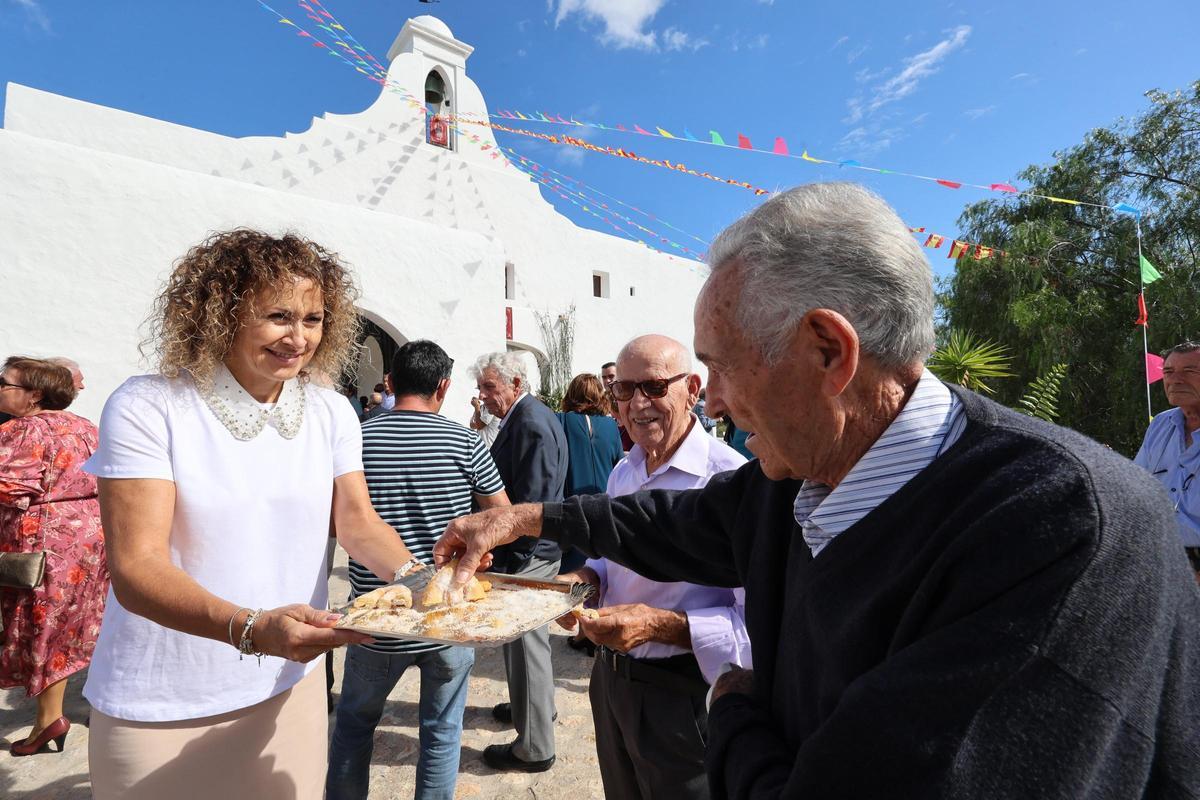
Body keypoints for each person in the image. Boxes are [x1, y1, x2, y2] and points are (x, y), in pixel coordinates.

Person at [437, 183, 1200, 798]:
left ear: (829, 350)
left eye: (724, 367)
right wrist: (522, 519)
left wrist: (732, 704)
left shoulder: (1055, 528)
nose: (716, 403)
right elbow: (668, 521)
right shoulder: (798, 479)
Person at [81, 229, 427, 800]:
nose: (298, 338)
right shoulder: (150, 405)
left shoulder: (331, 410)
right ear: (221, 314)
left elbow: (358, 523)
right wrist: (251, 628)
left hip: (289, 687)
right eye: (277, 316)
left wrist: (424, 582)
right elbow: (136, 568)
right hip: (164, 698)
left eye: (313, 319)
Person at [560, 335, 749, 800]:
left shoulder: (730, 478)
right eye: (623, 390)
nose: (637, 403)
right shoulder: (624, 472)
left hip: (684, 698)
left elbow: (758, 625)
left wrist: (661, 627)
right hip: (611, 684)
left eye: (654, 387)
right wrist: (585, 581)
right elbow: (608, 557)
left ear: (693, 388)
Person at [328, 340, 510, 800]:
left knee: (353, 730)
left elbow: (336, 522)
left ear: (389, 383)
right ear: (444, 387)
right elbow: (501, 515)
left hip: (377, 615)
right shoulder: (466, 441)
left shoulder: (359, 440)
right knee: (442, 732)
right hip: (446, 615)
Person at [0, 357, 107, 755]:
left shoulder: (22, 431)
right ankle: (56, 716)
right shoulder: (83, 425)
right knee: (76, 625)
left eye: (4, 382)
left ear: (33, 395)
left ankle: (48, 721)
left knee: (41, 626)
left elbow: (11, 487)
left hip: (45, 541)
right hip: (89, 537)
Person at [471, 351, 567, 772]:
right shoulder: (523, 416)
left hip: (530, 554)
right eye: (482, 387)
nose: (483, 396)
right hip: (527, 552)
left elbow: (535, 498)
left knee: (529, 648)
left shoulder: (530, 421)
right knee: (520, 646)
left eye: (490, 387)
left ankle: (535, 747)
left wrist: (515, 559)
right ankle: (527, 709)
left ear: (515, 384)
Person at [1135, 340, 1200, 579]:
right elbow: (1138, 487)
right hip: (1156, 561)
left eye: (1189, 371)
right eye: (1168, 372)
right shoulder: (1162, 424)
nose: (1175, 380)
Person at [555, 373, 622, 574]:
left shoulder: (560, 420)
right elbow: (619, 463)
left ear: (571, 394)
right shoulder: (611, 425)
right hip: (605, 504)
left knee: (573, 573)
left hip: (572, 503)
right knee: (601, 565)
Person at [601, 361, 634, 452]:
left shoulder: (631, 397)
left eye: (611, 376)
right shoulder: (599, 402)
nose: (607, 381)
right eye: (604, 377)